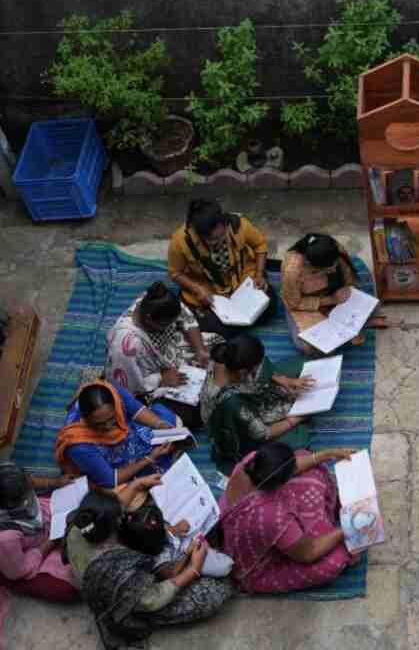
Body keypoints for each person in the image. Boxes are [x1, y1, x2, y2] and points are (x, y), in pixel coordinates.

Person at [65, 492, 233, 648]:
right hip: (132, 605)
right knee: (218, 589)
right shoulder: (119, 569)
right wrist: (194, 569)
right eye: (119, 516)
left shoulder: (81, 523)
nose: (124, 515)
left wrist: (170, 531)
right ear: (115, 525)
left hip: (118, 578)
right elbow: (151, 599)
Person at [218, 442, 362, 594]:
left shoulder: (252, 462)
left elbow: (293, 464)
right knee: (336, 558)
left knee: (308, 460)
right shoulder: (272, 516)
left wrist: (328, 454)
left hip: (263, 524)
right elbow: (309, 552)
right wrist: (344, 529)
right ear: (281, 483)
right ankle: (325, 522)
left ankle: (320, 523)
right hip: (258, 568)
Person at [105, 282, 212, 428]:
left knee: (216, 351)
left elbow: (185, 316)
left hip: (167, 352)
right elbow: (130, 387)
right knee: (189, 413)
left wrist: (200, 350)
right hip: (149, 377)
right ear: (149, 319)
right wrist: (161, 379)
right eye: (165, 324)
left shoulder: (153, 301)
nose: (170, 326)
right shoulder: (126, 347)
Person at [0, 463, 80, 602]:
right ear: (14, 504)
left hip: (32, 530)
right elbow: (17, 572)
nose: (32, 484)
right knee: (66, 588)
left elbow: (30, 480)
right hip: (11, 561)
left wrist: (57, 483)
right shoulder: (1, 538)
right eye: (29, 488)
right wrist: (51, 541)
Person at [203, 336, 316, 471]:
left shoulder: (227, 355)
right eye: (257, 366)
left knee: (302, 365)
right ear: (244, 372)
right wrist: (295, 419)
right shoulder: (231, 402)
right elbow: (263, 433)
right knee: (299, 440)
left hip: (249, 394)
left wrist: (284, 380)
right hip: (238, 424)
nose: (261, 367)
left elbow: (263, 369)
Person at [168, 198, 276, 337]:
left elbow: (260, 246)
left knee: (270, 305)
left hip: (242, 282)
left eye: (222, 237)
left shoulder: (237, 224)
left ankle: (233, 325)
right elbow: (175, 273)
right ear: (199, 235)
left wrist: (259, 274)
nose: (218, 243)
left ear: (224, 223)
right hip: (209, 292)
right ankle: (231, 324)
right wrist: (198, 289)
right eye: (212, 241)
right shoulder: (180, 241)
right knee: (213, 328)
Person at [55, 381, 186, 493]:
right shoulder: (78, 444)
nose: (108, 427)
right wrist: (149, 458)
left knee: (168, 421)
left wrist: (160, 425)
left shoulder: (112, 392)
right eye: (99, 424)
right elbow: (110, 479)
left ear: (115, 406)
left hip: (128, 431)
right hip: (108, 460)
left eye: (112, 418)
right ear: (85, 418)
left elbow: (136, 410)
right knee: (121, 493)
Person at [280, 233, 375, 356]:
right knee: (306, 345)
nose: (334, 270)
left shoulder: (334, 248)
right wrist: (331, 300)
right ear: (312, 266)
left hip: (334, 291)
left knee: (370, 307)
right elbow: (294, 303)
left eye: (335, 265)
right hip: (306, 304)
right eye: (328, 270)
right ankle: (346, 338)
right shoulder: (293, 271)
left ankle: (346, 331)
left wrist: (347, 288)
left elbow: (348, 276)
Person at [117, 502, 234, 581]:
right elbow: (172, 574)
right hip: (181, 557)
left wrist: (173, 530)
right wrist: (187, 554)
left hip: (179, 544)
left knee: (208, 513)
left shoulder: (136, 531)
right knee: (224, 566)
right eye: (162, 528)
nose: (165, 526)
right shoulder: (157, 560)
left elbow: (154, 529)